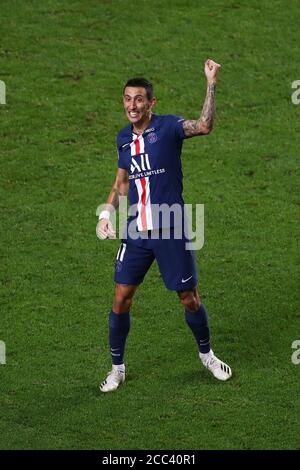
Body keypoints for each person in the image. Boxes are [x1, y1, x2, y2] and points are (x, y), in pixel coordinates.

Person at [96, 59, 232, 392]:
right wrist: (105, 214)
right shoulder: (123, 140)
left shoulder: (169, 127)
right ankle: (117, 368)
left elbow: (204, 125)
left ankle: (208, 356)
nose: (132, 105)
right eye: (127, 99)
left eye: (139, 99)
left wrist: (211, 83)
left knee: (189, 298)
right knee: (121, 299)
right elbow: (121, 182)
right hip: (137, 232)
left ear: (151, 103)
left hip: (171, 229)